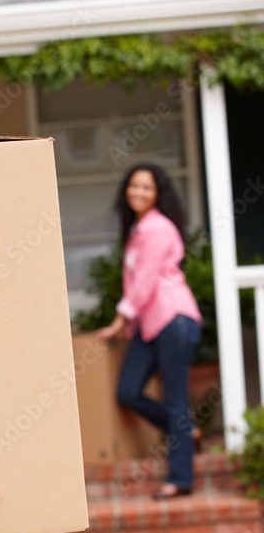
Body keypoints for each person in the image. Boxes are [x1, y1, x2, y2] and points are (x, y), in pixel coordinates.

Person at [96, 163, 202, 498]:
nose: (138, 192)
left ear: (158, 194)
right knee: (128, 392)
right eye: (134, 185)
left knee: (175, 402)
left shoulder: (157, 228)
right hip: (150, 324)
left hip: (173, 320)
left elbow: (143, 283)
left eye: (147, 187)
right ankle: (188, 432)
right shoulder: (139, 228)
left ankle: (181, 479)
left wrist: (119, 319)